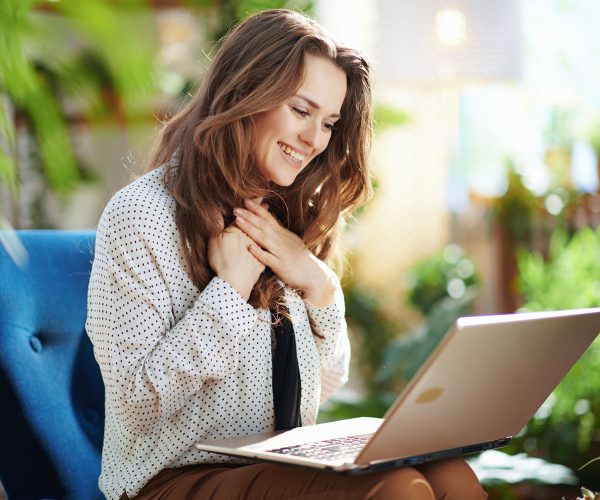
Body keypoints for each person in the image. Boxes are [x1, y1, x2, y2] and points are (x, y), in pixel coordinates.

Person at [87, 8, 487, 500]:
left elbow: (327, 380)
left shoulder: (284, 213)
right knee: (398, 488)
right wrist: (229, 294)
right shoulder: (142, 215)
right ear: (245, 94)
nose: (314, 140)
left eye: (328, 123)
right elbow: (135, 403)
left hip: (279, 459)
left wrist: (320, 284)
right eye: (301, 111)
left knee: (455, 478)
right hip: (170, 478)